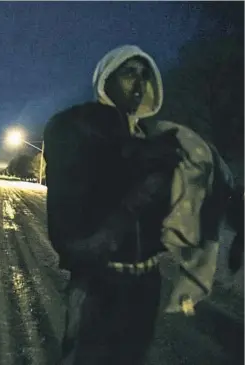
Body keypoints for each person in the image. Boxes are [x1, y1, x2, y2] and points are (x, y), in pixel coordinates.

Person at [44, 45, 227, 364]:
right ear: (106, 80)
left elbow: (192, 193)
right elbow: (92, 174)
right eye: (128, 72)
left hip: (145, 283)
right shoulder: (75, 125)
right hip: (98, 283)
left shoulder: (152, 137)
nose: (139, 82)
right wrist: (147, 160)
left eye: (145, 74)